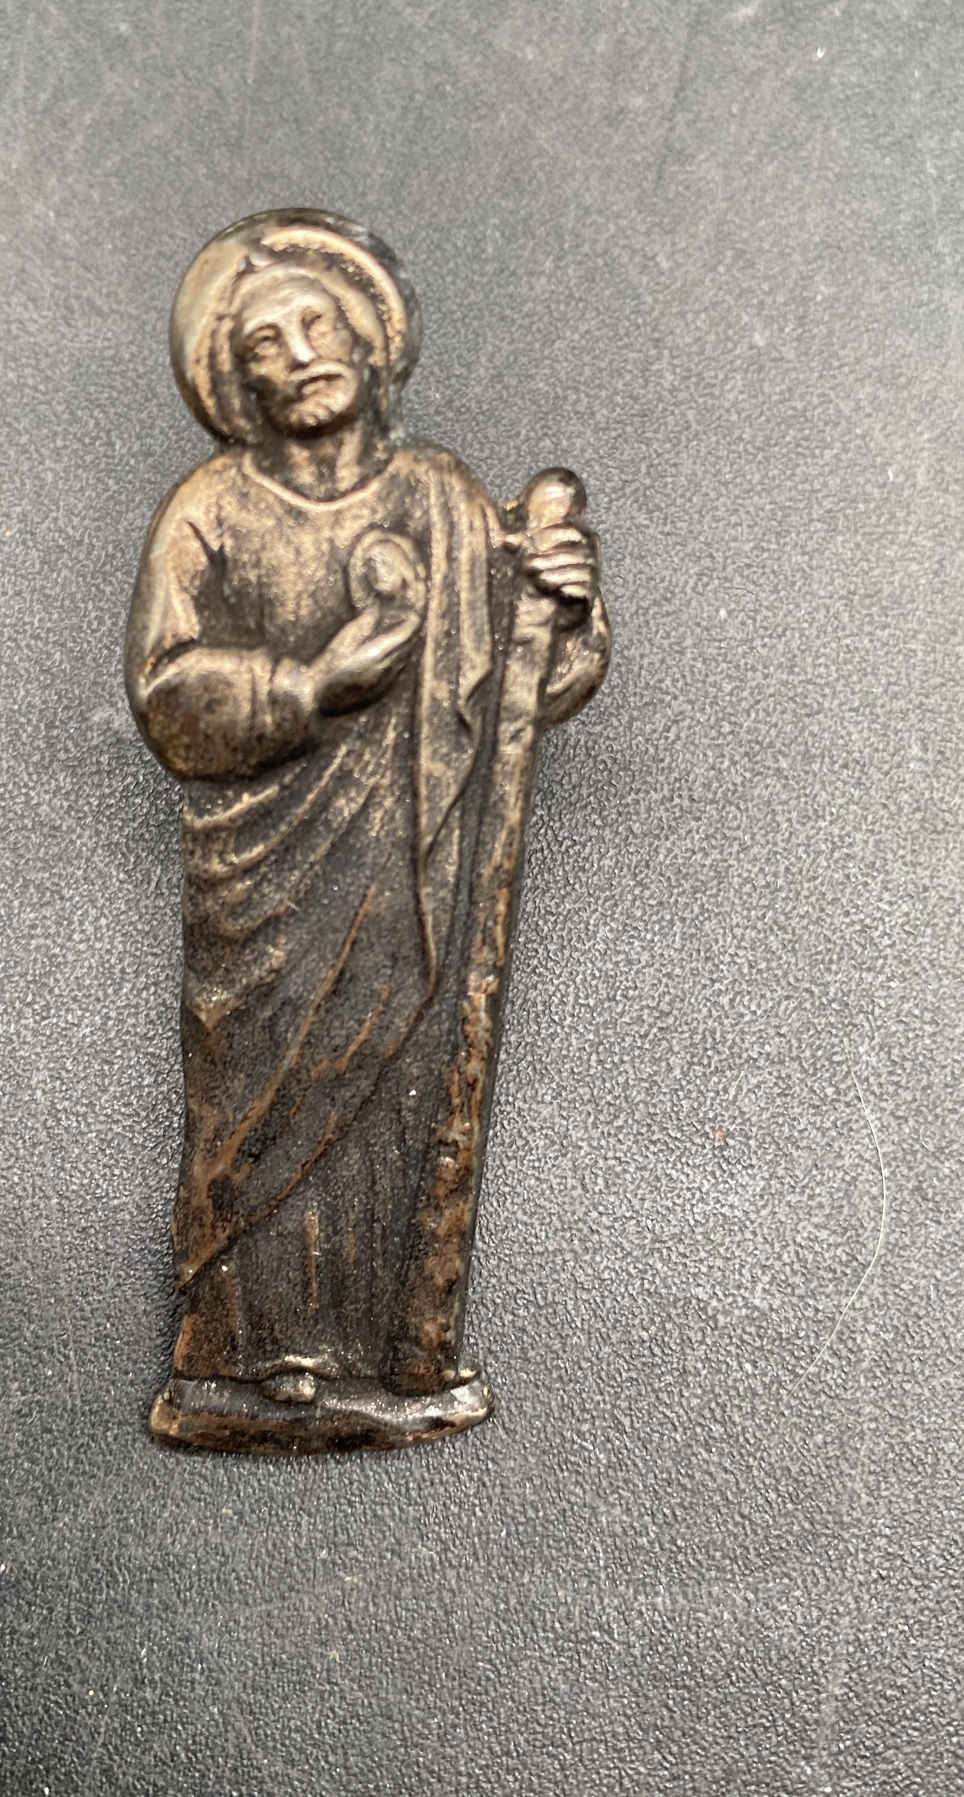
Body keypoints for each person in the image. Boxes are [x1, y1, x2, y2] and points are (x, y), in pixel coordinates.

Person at [126, 210, 610, 1448]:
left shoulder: (442, 498)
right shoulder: (208, 509)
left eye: (317, 324)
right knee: (258, 1096)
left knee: (394, 1092)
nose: (299, 354)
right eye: (264, 342)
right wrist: (307, 685)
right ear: (236, 385)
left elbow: (518, 691)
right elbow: (166, 695)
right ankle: (235, 1363)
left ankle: (394, 1346)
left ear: (366, 342)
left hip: (414, 863)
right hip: (265, 873)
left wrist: (564, 609)